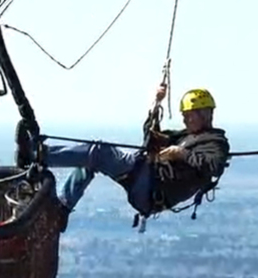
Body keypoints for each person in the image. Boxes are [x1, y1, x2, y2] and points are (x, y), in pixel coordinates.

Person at [15, 85, 230, 228]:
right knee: (91, 160)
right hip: (149, 180)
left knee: (99, 152)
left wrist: (181, 153)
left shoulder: (215, 143)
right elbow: (151, 138)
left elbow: (214, 166)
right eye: (185, 116)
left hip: (153, 186)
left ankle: (37, 154)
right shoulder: (187, 135)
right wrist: (156, 104)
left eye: (189, 116)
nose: (185, 121)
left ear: (205, 114)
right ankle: (62, 208)